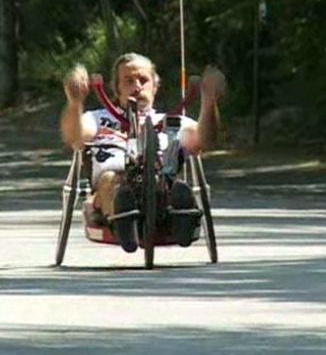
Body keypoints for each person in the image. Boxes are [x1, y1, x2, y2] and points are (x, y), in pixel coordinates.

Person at [60, 52, 225, 252]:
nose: (137, 87)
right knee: (113, 181)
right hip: (112, 182)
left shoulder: (172, 120)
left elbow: (205, 140)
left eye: (143, 80)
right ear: (117, 88)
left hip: (161, 182)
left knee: (173, 185)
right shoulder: (96, 118)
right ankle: (124, 219)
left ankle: (181, 211)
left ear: (155, 87)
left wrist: (209, 102)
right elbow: (74, 137)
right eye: (129, 81)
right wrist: (74, 103)